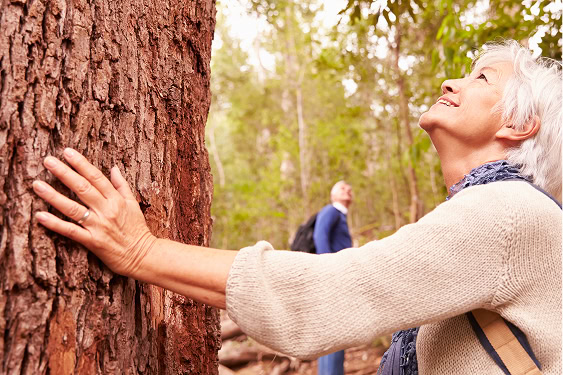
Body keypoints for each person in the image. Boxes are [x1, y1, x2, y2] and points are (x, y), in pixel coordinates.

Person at [32, 40, 561, 374]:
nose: (451, 81)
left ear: (517, 126)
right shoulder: (504, 215)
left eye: (482, 78)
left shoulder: (509, 215)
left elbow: (330, 292)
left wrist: (143, 251)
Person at [313, 181, 353, 375]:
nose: (348, 191)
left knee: (338, 335)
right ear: (333, 195)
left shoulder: (340, 216)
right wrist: (327, 272)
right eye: (342, 188)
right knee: (333, 335)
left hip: (339, 279)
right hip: (331, 279)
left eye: (349, 189)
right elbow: (320, 238)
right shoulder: (330, 211)